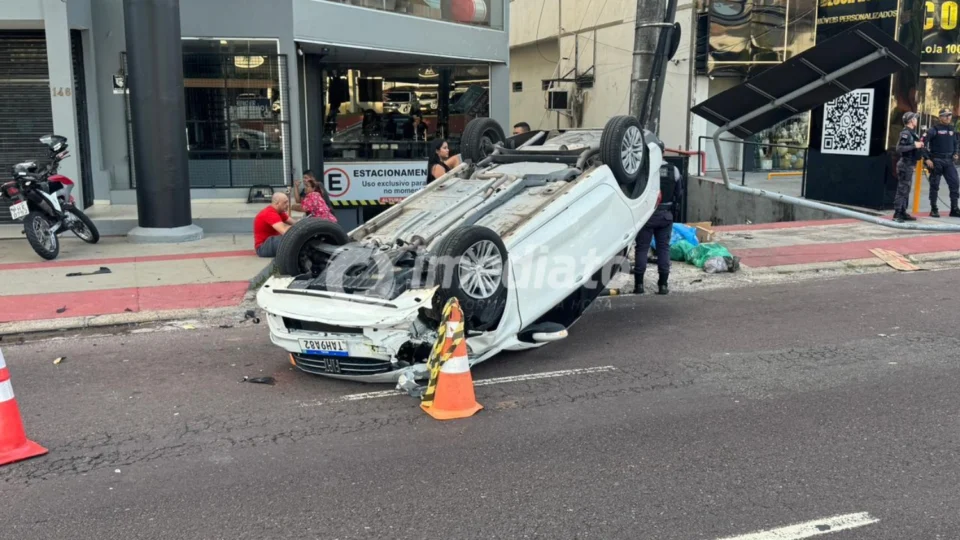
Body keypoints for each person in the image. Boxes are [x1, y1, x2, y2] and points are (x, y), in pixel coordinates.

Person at [634, 163, 681, 295]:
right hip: (665, 215)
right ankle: (663, 285)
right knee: (664, 248)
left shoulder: (643, 168)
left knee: (642, 248)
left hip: (646, 215)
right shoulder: (674, 169)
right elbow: (679, 193)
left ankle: (639, 285)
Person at [922, 108, 960, 218]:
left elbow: (956, 143)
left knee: (955, 184)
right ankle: (934, 208)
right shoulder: (933, 129)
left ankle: (954, 208)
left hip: (949, 161)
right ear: (940, 117)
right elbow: (922, 143)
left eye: (950, 115)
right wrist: (927, 159)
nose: (949, 117)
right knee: (934, 186)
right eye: (946, 115)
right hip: (936, 160)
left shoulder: (952, 129)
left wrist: (956, 153)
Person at [894, 112, 924, 223]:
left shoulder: (912, 133)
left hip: (910, 164)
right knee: (902, 189)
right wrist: (914, 145)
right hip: (905, 164)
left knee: (906, 189)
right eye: (915, 119)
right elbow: (899, 148)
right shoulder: (905, 133)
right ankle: (897, 213)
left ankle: (903, 211)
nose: (916, 120)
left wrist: (919, 145)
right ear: (911, 120)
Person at [253, 192, 296, 258]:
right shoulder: (269, 213)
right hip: (263, 247)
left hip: (272, 242)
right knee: (290, 239)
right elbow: (284, 231)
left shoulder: (280, 212)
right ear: (277, 203)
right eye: (285, 202)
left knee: (292, 237)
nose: (288, 205)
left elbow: (295, 223)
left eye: (287, 202)